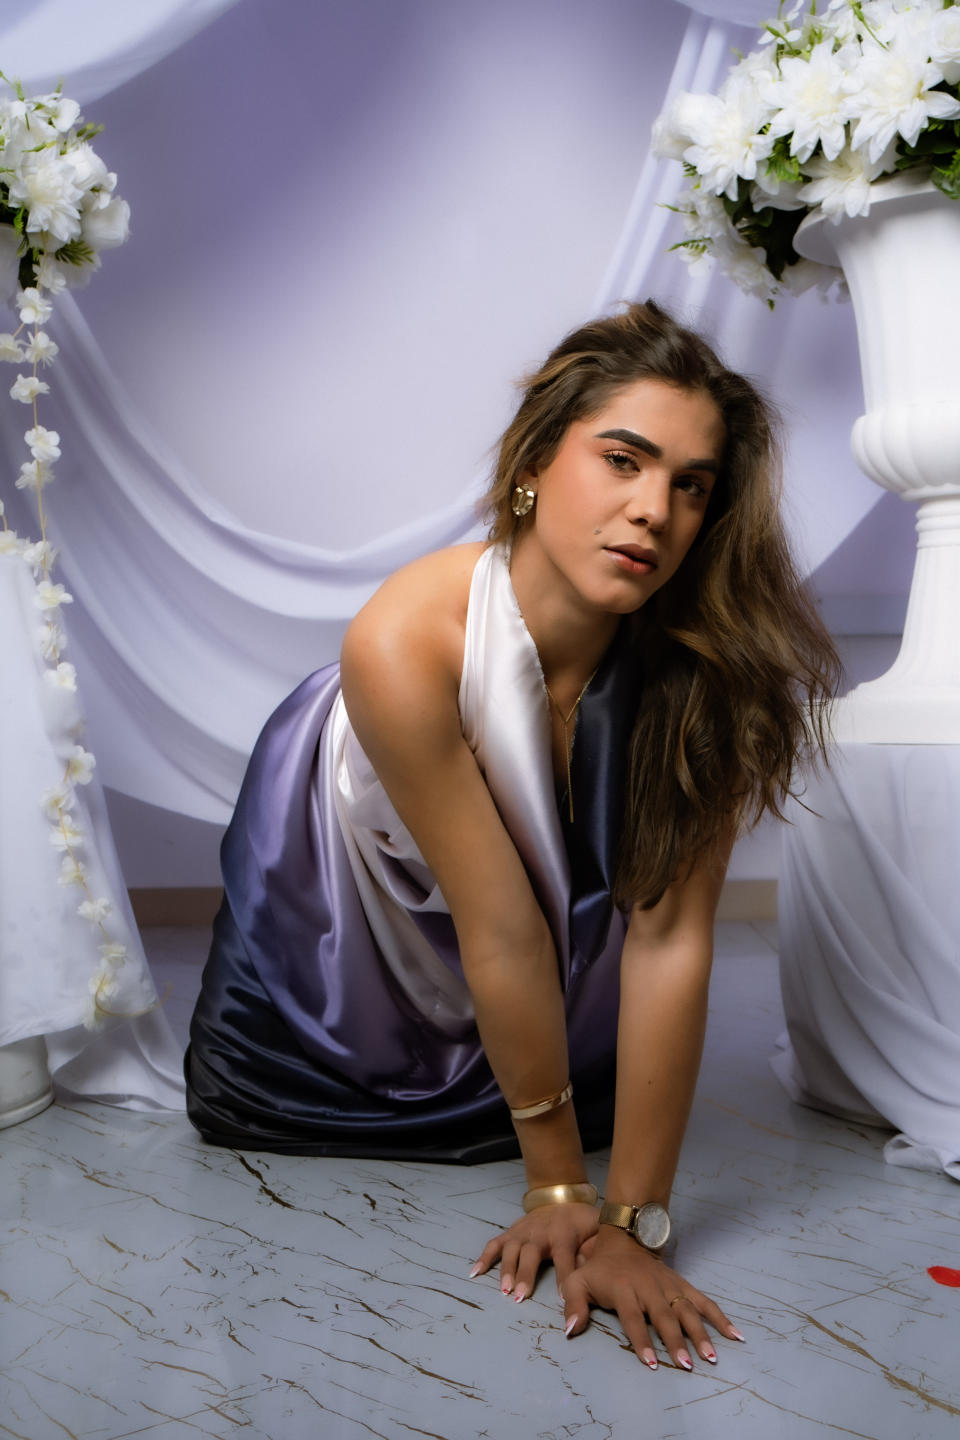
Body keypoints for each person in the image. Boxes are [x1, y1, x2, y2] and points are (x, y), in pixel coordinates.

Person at [185, 299, 838, 1372]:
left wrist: (632, 1224)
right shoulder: (407, 636)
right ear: (536, 461)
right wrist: (558, 1185)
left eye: (691, 485)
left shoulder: (710, 672)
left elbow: (671, 939)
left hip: (529, 964)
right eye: (621, 460)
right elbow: (502, 926)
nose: (653, 511)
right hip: (344, 927)